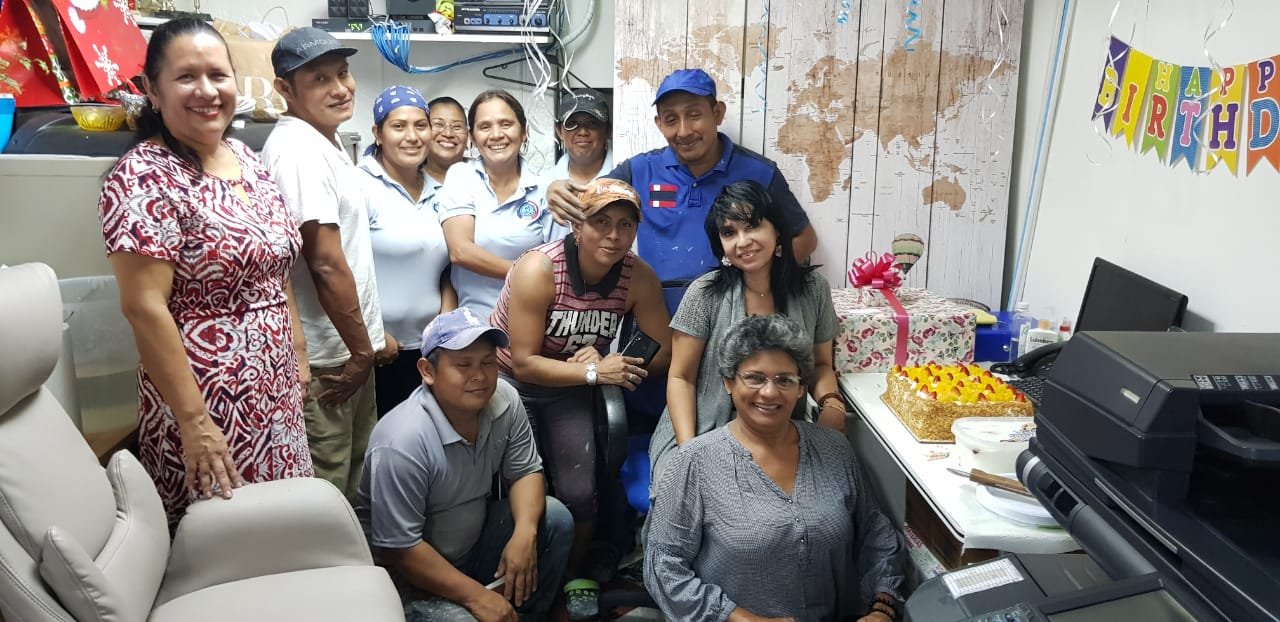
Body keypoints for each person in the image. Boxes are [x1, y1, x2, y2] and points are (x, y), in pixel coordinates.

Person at [99, 18, 313, 523]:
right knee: (224, 539)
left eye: (218, 75)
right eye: (186, 77)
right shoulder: (143, 177)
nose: (207, 91)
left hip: (275, 392)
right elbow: (144, 308)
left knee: (287, 529)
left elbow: (274, 265)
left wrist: (299, 355)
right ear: (152, 90)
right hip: (206, 405)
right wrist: (194, 423)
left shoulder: (246, 159)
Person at [488, 180, 671, 618]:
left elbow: (664, 349)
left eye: (625, 225)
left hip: (570, 387)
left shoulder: (637, 275)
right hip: (511, 384)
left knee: (579, 489)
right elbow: (524, 362)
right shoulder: (539, 268)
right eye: (600, 222)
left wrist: (613, 360)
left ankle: (569, 576)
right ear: (576, 226)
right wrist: (592, 371)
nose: (613, 235)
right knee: (513, 485)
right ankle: (509, 572)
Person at [645, 314, 905, 621]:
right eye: (754, 378)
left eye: (784, 380)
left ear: (800, 388)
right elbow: (663, 564)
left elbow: (876, 533)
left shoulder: (834, 449)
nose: (769, 392)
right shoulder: (694, 462)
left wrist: (882, 605)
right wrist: (739, 618)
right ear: (728, 382)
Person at [354, 309, 573, 622]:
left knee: (553, 519)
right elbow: (401, 549)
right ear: (428, 371)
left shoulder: (505, 399)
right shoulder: (401, 442)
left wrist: (524, 534)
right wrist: (478, 598)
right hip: (406, 577)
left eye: (487, 362)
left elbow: (525, 472)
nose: (479, 376)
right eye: (463, 365)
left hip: (472, 546)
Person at [262, 27, 393, 499]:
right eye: (319, 79)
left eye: (342, 73)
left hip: (348, 351)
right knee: (329, 488)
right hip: (328, 362)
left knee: (357, 478)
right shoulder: (298, 152)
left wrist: (369, 342)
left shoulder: (324, 142)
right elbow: (323, 262)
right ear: (285, 88)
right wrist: (360, 351)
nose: (340, 88)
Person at [648, 180, 845, 493]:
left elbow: (820, 365)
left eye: (752, 226)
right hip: (701, 429)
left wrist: (832, 405)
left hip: (779, 431)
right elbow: (681, 378)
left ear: (776, 230)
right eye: (729, 233)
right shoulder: (704, 294)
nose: (743, 242)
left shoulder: (813, 290)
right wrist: (690, 451)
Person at [546, 68, 818, 284]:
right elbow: (586, 199)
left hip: (733, 321)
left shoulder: (759, 172)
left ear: (717, 113)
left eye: (694, 115)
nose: (684, 131)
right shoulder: (638, 171)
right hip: (655, 318)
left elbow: (805, 239)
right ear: (659, 124)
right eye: (671, 119)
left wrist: (758, 285)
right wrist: (557, 189)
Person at [358, 85, 456, 416]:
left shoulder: (442, 192)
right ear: (378, 134)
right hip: (380, 351)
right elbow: (340, 266)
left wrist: (445, 316)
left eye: (420, 125)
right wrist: (373, 334)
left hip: (432, 349)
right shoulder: (360, 185)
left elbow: (448, 267)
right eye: (398, 126)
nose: (412, 136)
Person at [437, 90, 566, 320]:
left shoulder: (545, 188)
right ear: (473, 137)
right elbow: (460, 251)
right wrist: (529, 274)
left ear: (524, 132)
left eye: (506, 124)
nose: (496, 135)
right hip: (471, 324)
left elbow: (559, 268)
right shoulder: (461, 176)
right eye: (485, 127)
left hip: (530, 322)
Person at [547, 89, 613, 186]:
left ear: (608, 130)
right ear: (559, 131)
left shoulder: (628, 177)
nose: (583, 132)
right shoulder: (545, 184)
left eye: (592, 123)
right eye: (572, 123)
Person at [424, 96, 470, 196]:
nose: (448, 134)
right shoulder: (407, 179)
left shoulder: (484, 176)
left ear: (468, 135)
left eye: (457, 126)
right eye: (438, 124)